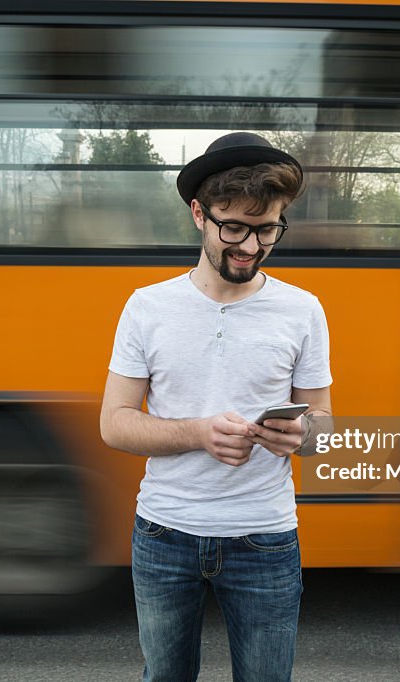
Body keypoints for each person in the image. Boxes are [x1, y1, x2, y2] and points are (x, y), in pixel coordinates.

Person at [99, 132, 333, 682]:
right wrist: (199, 433)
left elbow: (325, 429)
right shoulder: (147, 307)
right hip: (163, 534)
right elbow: (114, 424)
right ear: (199, 214)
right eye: (234, 228)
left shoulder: (304, 311)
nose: (250, 247)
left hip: (266, 538)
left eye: (268, 229)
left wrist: (303, 437)